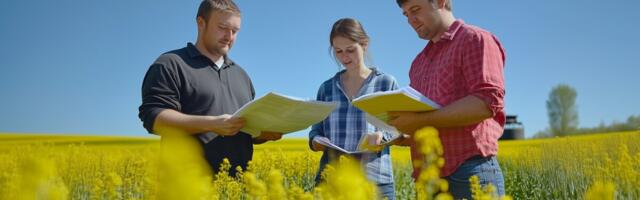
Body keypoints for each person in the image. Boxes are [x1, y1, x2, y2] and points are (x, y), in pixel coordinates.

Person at [138, 0, 281, 176]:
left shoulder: (242, 76)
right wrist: (212, 124)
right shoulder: (170, 64)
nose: (229, 36)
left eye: (235, 31)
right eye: (222, 27)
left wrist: (262, 134)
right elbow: (154, 118)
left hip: (238, 188)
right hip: (186, 185)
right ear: (201, 23)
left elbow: (243, 130)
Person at [390, 0, 507, 199]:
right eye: (406, 14)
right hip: (429, 178)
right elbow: (432, 119)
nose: (411, 20)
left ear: (440, 2)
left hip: (469, 172)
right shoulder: (419, 63)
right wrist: (405, 135)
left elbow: (485, 103)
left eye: (415, 10)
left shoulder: (474, 39)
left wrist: (419, 122)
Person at [308, 18, 399, 200]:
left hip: (375, 180)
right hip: (332, 179)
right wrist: (316, 141)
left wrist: (383, 136)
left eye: (350, 50)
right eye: (338, 51)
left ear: (364, 45)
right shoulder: (326, 88)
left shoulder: (386, 83)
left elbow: (400, 126)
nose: (344, 57)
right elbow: (316, 130)